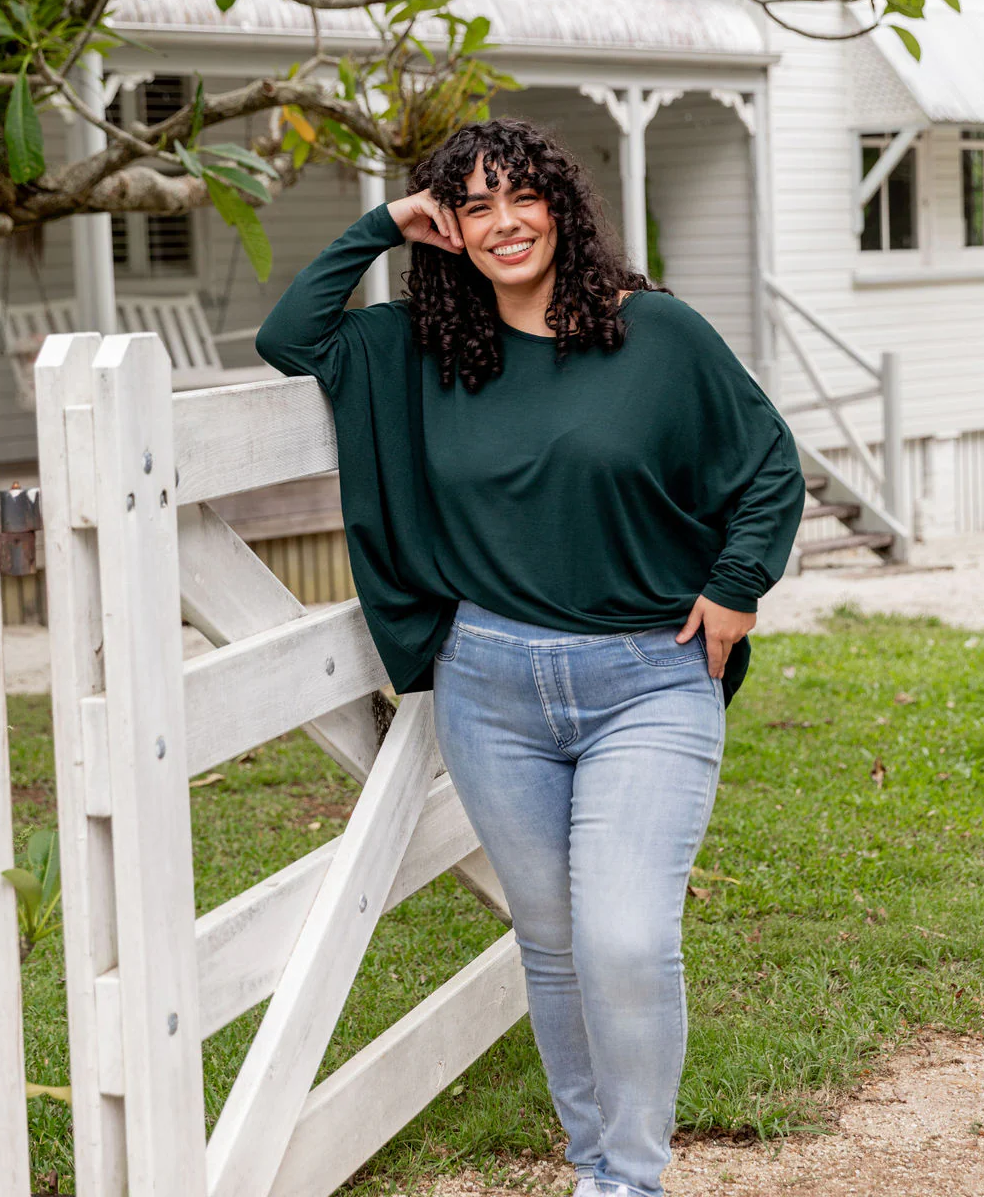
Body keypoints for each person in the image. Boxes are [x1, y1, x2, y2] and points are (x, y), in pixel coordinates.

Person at [255, 116, 807, 1197]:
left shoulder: (657, 334)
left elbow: (767, 466)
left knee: (625, 938)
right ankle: (593, 1168)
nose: (504, 222)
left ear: (561, 206)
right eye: (474, 204)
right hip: (490, 687)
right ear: (449, 227)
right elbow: (291, 337)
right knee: (551, 947)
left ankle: (631, 1179)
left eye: (522, 197)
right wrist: (382, 224)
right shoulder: (418, 348)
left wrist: (736, 587)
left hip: (648, 678)